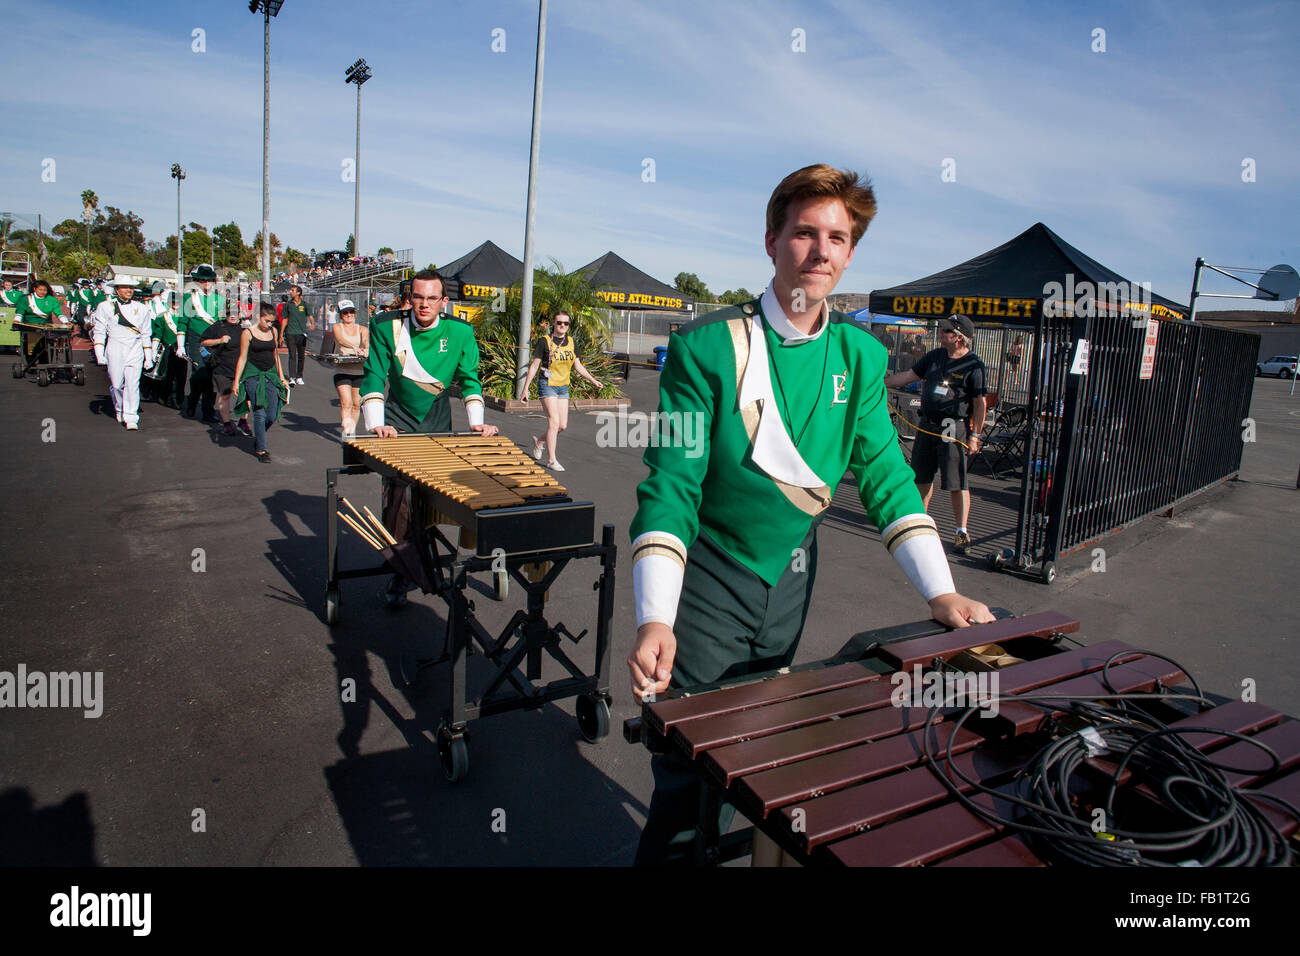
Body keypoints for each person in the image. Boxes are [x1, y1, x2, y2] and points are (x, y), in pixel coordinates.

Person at [626, 164, 994, 865]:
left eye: (837, 237)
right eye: (804, 232)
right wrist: (655, 618)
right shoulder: (707, 347)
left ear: (850, 254)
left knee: (762, 752)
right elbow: (670, 486)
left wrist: (940, 592)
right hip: (707, 581)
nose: (821, 249)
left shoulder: (859, 354)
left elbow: (886, 476)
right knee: (684, 780)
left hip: (792, 579)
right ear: (771, 241)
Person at [360, 269, 498, 607]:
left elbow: (469, 380)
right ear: (410, 297)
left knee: (445, 496)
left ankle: (455, 551)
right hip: (396, 420)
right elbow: (375, 375)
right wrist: (377, 423)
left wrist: (477, 423)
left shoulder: (461, 332)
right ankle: (401, 571)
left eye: (431, 298)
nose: (423, 304)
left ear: (443, 301)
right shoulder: (385, 326)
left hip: (437, 419)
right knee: (400, 499)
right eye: (417, 297)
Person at [884, 313, 989, 553]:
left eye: (947, 331)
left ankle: (961, 531)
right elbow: (909, 376)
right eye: (942, 329)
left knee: (956, 482)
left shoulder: (974, 365)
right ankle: (920, 524)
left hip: (954, 428)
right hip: (927, 425)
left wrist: (975, 435)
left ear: (960, 337)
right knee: (921, 477)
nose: (941, 333)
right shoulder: (934, 356)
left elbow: (980, 403)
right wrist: (881, 382)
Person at [517, 309, 603, 472]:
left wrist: (593, 380)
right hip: (547, 384)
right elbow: (535, 365)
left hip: (563, 387)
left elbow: (577, 366)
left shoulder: (571, 342)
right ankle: (551, 460)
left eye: (566, 323)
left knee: (562, 426)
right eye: (559, 322)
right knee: (554, 421)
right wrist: (525, 388)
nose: (562, 325)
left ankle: (540, 441)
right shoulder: (544, 341)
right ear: (554, 324)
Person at [90, 276, 153, 430]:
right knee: (117, 384)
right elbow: (99, 331)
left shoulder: (143, 309)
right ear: (117, 289)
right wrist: (99, 353)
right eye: (125, 287)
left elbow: (146, 333)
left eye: (131, 287)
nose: (129, 290)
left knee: (132, 384)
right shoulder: (105, 307)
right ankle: (119, 408)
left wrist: (148, 357)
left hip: (135, 348)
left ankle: (131, 416)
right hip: (115, 347)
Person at [232, 300, 290, 463]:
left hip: (270, 374)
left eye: (272, 321)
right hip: (253, 374)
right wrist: (237, 381)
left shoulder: (273, 331)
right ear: (258, 317)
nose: (269, 324)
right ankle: (261, 450)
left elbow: (275, 355)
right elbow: (242, 358)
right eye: (266, 320)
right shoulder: (248, 333)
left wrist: (282, 377)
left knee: (272, 414)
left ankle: (259, 436)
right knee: (259, 411)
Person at [177, 264, 224, 422]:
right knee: (199, 373)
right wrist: (181, 345)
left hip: (214, 341)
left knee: (212, 376)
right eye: (202, 281)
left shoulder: (219, 299)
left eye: (209, 280)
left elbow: (223, 322)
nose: (206, 284)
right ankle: (192, 402)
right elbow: (183, 322)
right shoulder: (188, 298)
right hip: (196, 339)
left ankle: (208, 411)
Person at [322, 298, 368, 439]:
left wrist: (365, 349)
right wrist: (354, 347)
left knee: (356, 404)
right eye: (345, 312)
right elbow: (341, 339)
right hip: (343, 370)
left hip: (359, 370)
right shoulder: (337, 327)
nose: (349, 315)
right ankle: (347, 433)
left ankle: (351, 433)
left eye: (351, 312)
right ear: (341, 314)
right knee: (346, 402)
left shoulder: (362, 328)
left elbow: (366, 340)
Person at [202, 304, 250, 437]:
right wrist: (219, 340)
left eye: (235, 313)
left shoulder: (245, 327)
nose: (232, 316)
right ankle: (227, 424)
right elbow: (203, 341)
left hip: (242, 368)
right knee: (225, 395)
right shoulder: (218, 326)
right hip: (222, 368)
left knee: (246, 395)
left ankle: (243, 421)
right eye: (229, 314)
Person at [281, 285, 314, 386]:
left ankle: (299, 376)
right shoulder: (287, 305)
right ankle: (292, 377)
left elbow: (310, 316)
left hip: (302, 333)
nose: (291, 292)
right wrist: (281, 334)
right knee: (292, 355)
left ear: (298, 293)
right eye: (291, 290)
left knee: (301, 356)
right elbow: (284, 319)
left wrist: (312, 324)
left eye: (293, 290)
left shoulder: (305, 305)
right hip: (290, 333)